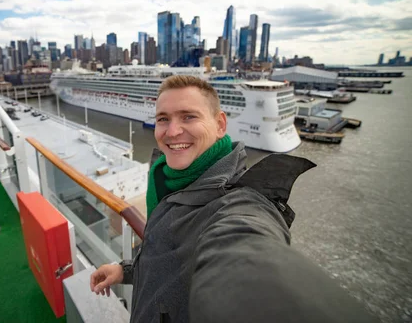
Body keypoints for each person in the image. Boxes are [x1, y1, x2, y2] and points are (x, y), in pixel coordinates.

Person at [90, 75, 376, 323]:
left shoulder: (239, 203)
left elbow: (243, 242)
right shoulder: (164, 178)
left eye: (189, 116)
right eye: (163, 119)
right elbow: (168, 254)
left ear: (220, 125)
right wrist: (126, 270)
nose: (172, 131)